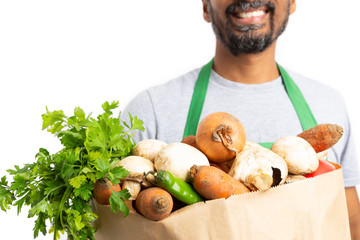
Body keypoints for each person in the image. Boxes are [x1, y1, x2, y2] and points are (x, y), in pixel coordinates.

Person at [122, 0, 360, 238]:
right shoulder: (149, 111)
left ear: (292, 2)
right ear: (206, 7)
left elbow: (350, 221)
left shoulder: (329, 105)